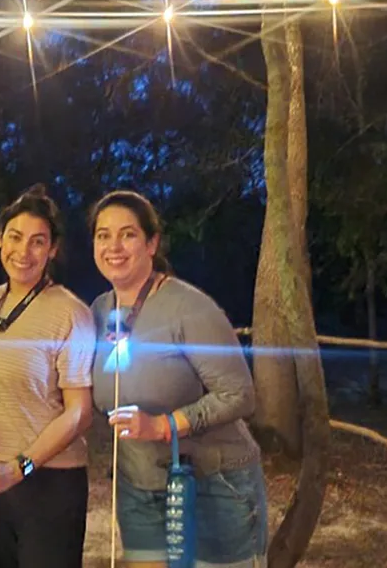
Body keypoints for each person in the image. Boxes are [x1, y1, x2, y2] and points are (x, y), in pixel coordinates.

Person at [88, 190, 268, 568]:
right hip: (139, 485)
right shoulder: (100, 310)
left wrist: (164, 425)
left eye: (128, 234)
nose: (113, 246)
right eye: (103, 235)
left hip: (211, 482)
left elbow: (239, 394)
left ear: (152, 242)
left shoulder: (188, 306)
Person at [0, 184, 95, 568]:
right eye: (15, 237)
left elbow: (78, 413)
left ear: (53, 249)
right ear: (0, 238)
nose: (23, 252)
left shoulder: (70, 313)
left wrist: (20, 467)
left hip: (46, 481)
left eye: (38, 242)